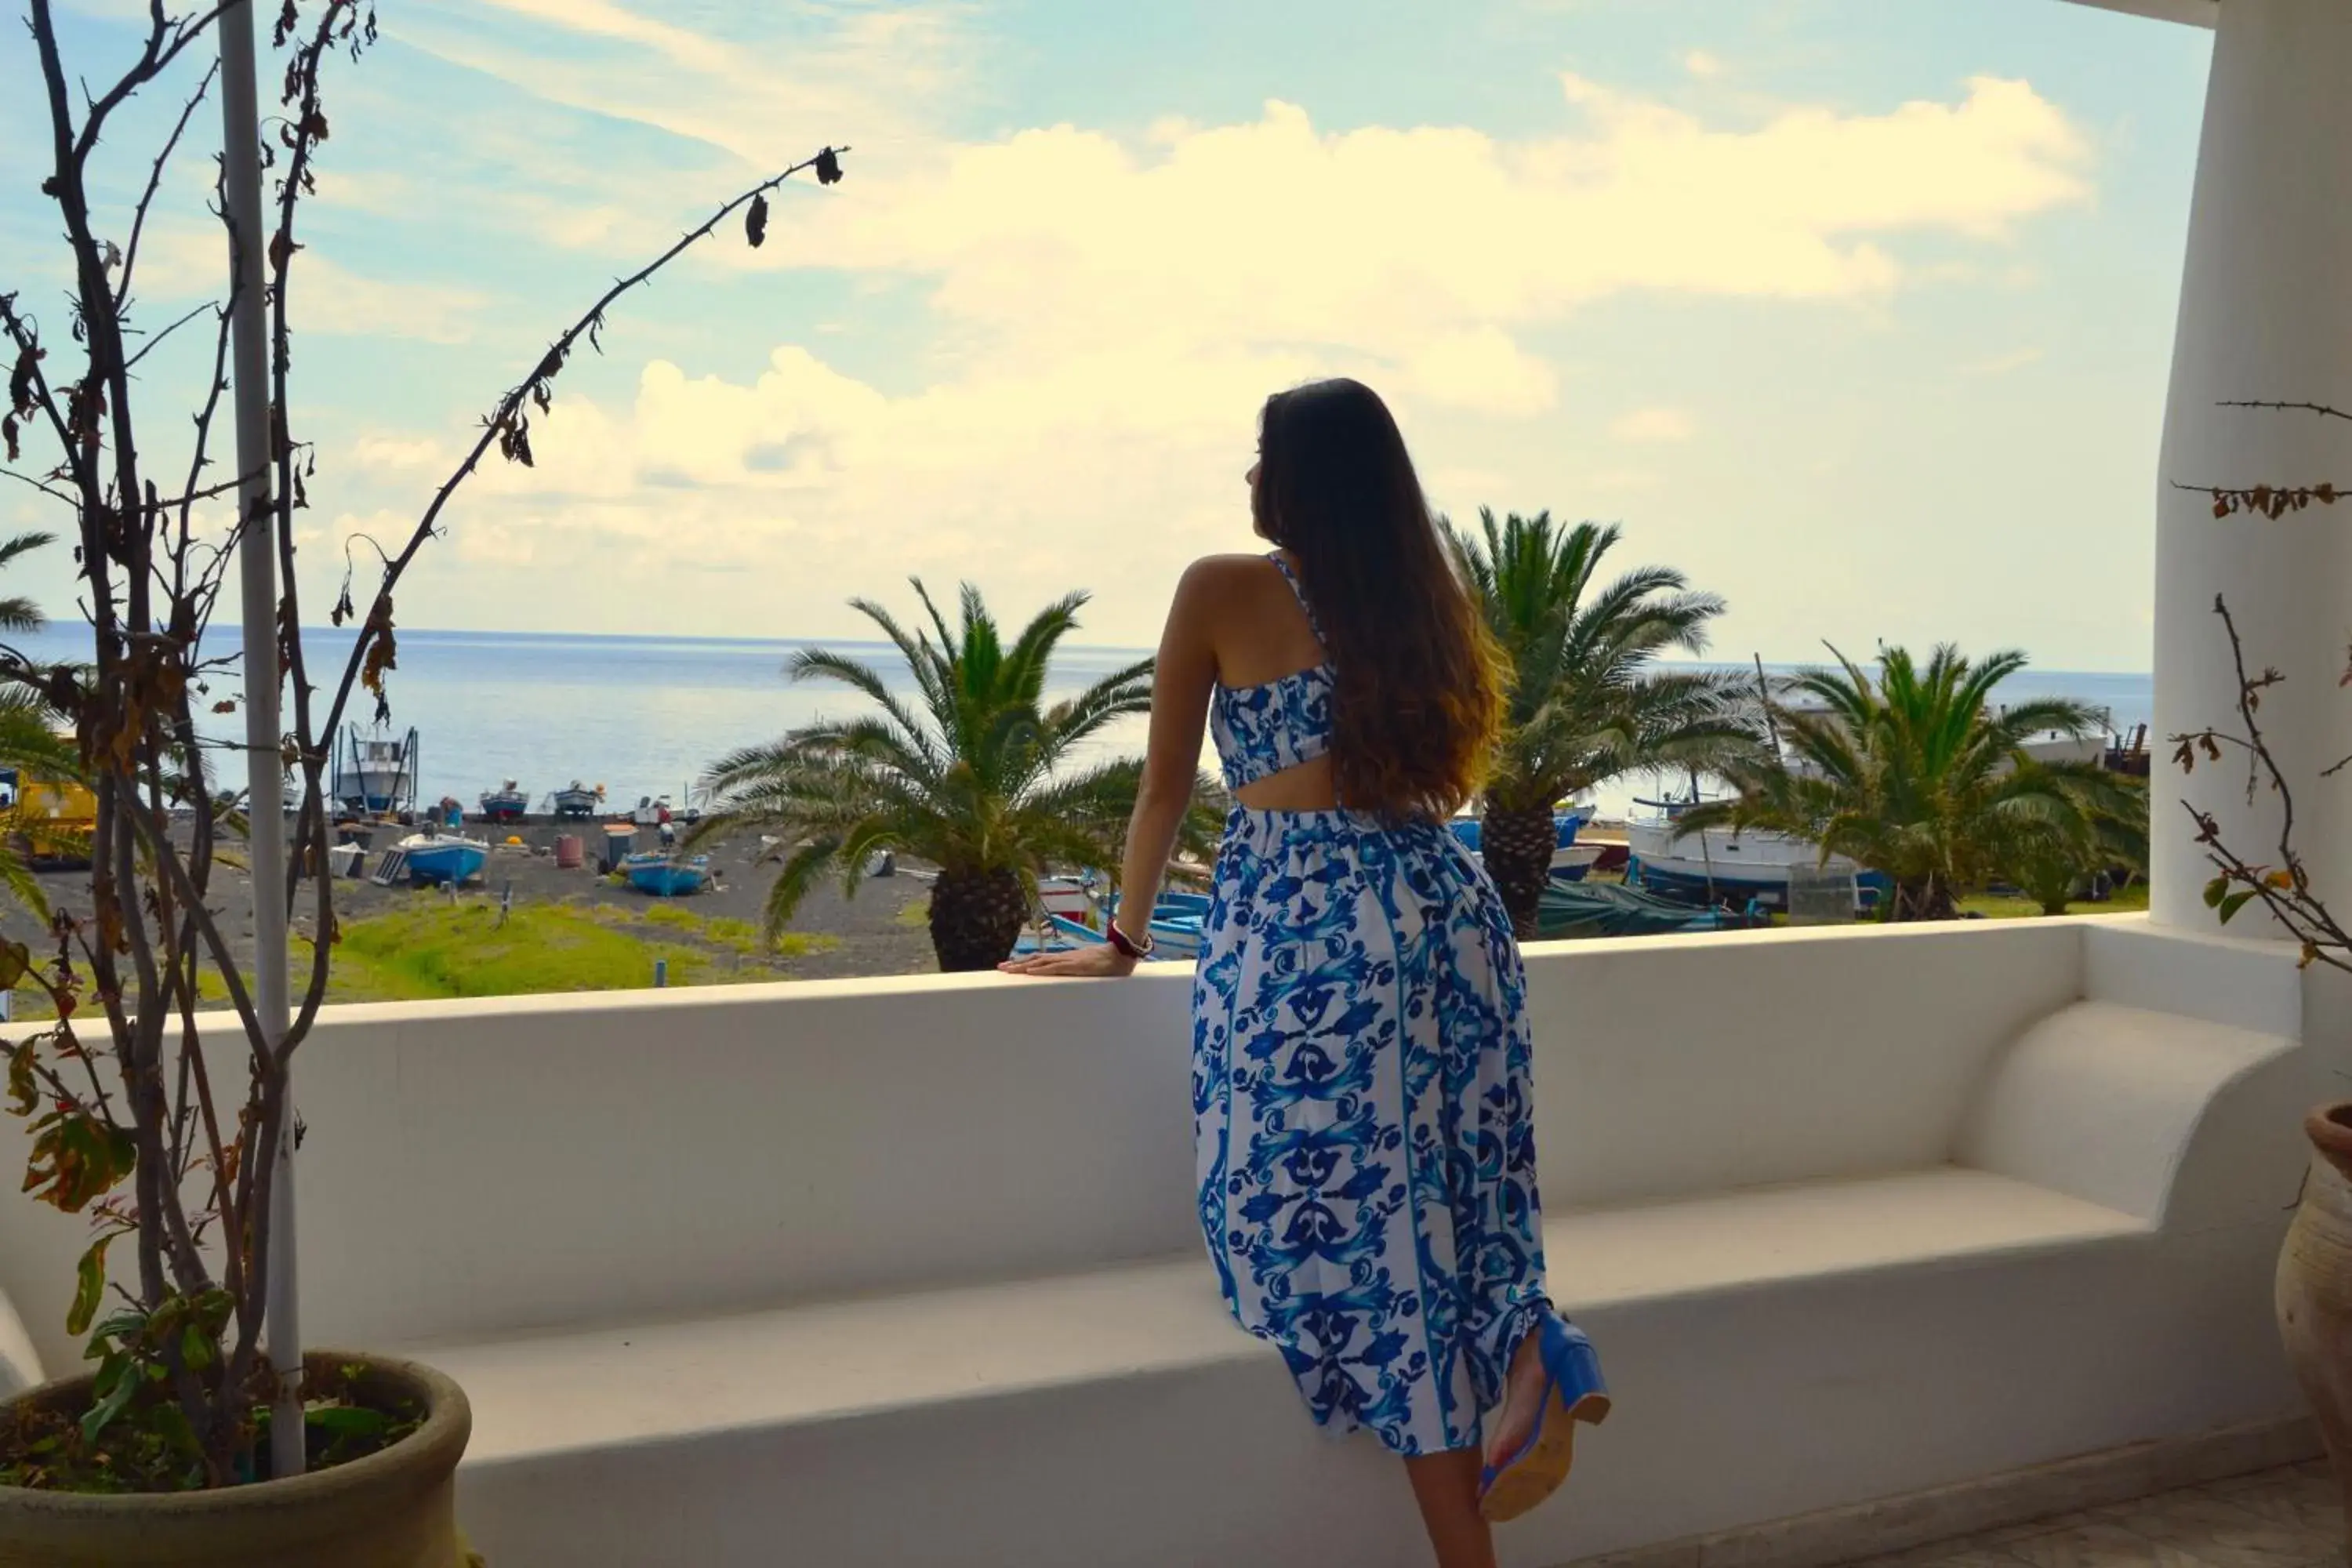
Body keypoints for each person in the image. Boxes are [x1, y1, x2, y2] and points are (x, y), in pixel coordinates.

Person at [1002, 379, 1608, 1567]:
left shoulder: (1220, 588)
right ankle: (1533, 1350)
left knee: (1349, 1248)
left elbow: (1167, 787)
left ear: (1297, 477)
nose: (1245, 475)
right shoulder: (1425, 601)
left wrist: (1123, 942)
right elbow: (1438, 786)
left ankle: (1465, 1543)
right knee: (1455, 1209)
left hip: (1309, 933)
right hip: (1445, 920)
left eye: (1259, 453)